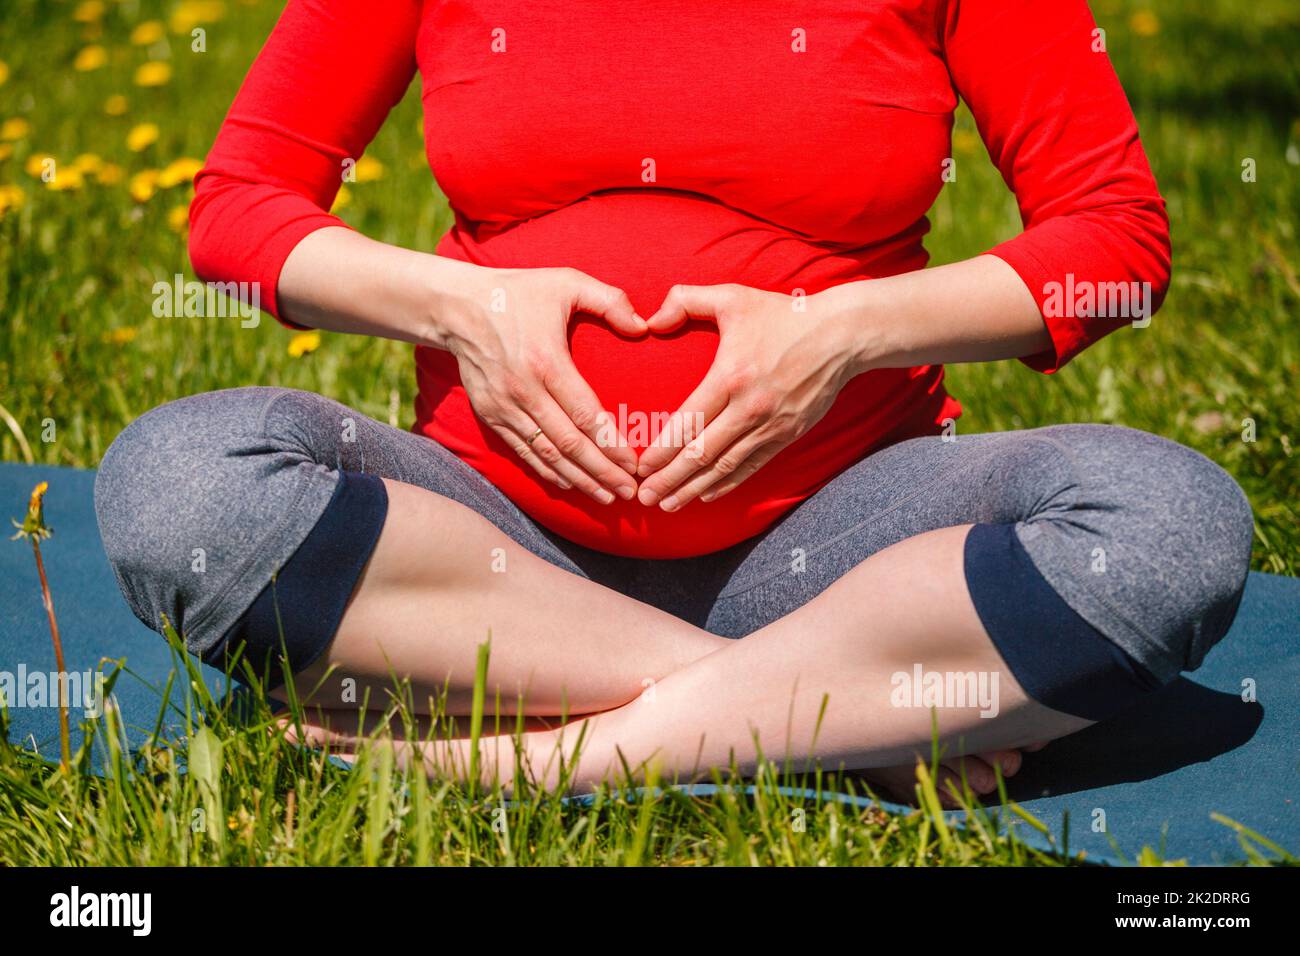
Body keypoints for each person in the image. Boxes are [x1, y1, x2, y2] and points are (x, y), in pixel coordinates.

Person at [94, 1, 1254, 802]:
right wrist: (458, 308)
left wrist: (841, 334)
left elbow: (1115, 239)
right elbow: (239, 208)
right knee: (178, 481)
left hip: (847, 534)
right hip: (487, 543)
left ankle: (544, 756)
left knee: (1169, 522)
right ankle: (836, 723)